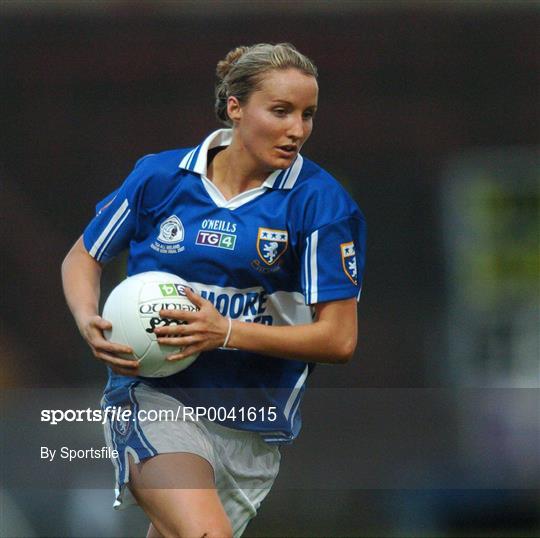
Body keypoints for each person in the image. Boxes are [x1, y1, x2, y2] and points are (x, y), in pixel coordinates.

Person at [62, 42, 366, 538]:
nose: (297, 130)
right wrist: (85, 317)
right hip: (154, 397)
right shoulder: (161, 177)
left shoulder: (322, 205)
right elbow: (83, 255)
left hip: (250, 428)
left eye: (308, 115)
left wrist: (224, 330)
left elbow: (338, 339)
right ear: (235, 107)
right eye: (281, 111)